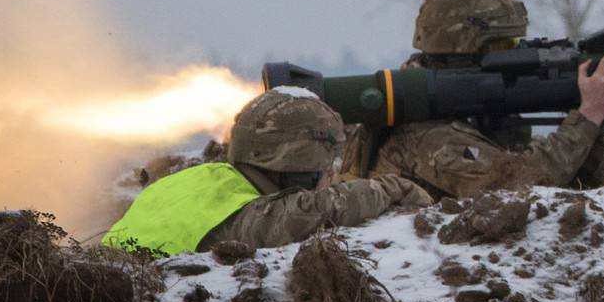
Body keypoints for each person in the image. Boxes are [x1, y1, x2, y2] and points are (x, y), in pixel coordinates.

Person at [339, 0, 604, 198]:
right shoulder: (425, 134)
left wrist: (590, 123)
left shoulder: (470, 115)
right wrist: (586, 118)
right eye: (504, 45)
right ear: (461, 50)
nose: (515, 54)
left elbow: (579, 188)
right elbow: (518, 189)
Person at [103, 88, 432, 255]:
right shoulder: (245, 216)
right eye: (326, 164)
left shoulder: (197, 179)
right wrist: (392, 189)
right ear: (295, 165)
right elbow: (307, 212)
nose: (331, 175)